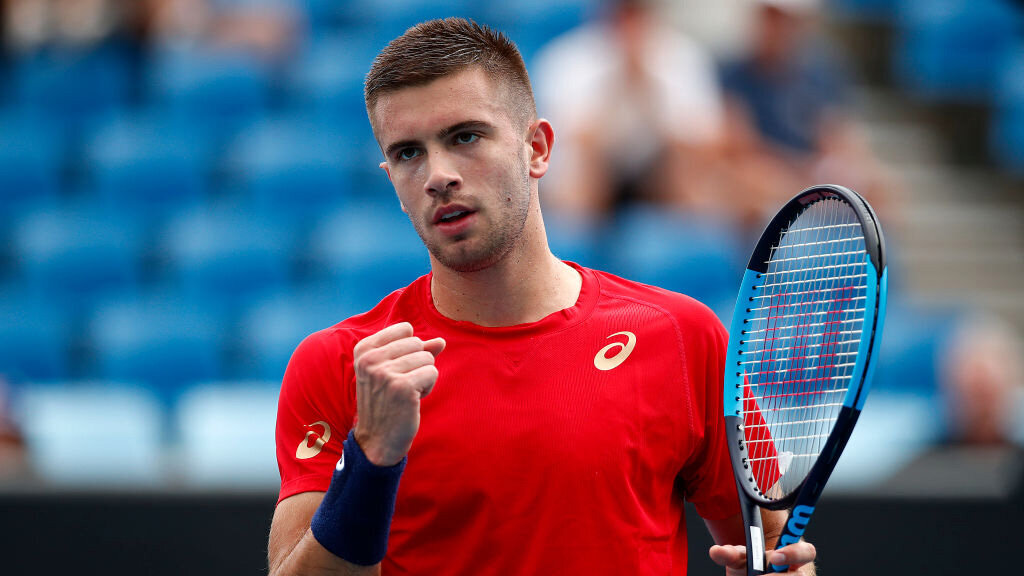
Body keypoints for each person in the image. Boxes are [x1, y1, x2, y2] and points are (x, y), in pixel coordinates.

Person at [268, 18, 816, 576]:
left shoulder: (684, 337)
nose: (438, 175)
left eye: (465, 137)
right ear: (392, 180)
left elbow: (778, 551)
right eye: (409, 153)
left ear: (537, 148)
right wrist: (369, 461)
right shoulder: (340, 365)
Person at [531, 0, 725, 223]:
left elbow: (707, 141)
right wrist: (617, 89)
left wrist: (649, 94)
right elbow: (562, 142)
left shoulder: (685, 57)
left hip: (660, 171)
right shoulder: (565, 58)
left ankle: (691, 234)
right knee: (582, 167)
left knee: (691, 170)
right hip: (593, 175)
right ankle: (576, 233)